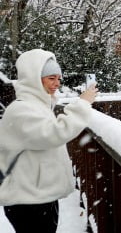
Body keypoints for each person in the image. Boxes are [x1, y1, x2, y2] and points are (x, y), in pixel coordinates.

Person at [0, 49, 98, 233]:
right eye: (51, 78)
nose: (57, 84)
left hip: (37, 196)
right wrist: (83, 104)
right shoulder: (21, 110)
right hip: (28, 200)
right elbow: (54, 134)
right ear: (34, 78)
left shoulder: (36, 106)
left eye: (59, 78)